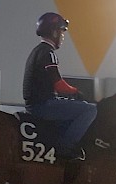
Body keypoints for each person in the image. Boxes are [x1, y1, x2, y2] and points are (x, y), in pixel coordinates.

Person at [23, 12, 97, 160]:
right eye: (62, 32)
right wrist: (78, 93)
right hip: (44, 105)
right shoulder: (48, 53)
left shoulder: (37, 51)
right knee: (90, 110)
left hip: (35, 104)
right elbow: (59, 85)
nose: (63, 36)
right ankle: (65, 147)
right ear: (54, 32)